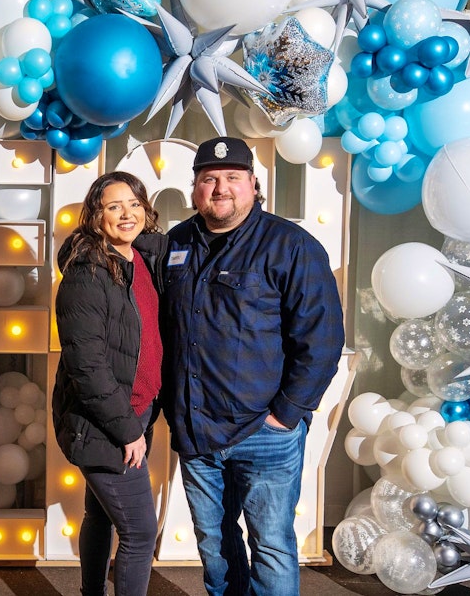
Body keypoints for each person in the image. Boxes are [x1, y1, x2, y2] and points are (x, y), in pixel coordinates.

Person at [161, 137, 345, 596]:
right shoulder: (176, 242)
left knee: (272, 547)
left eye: (232, 178)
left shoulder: (291, 246)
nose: (220, 188)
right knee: (216, 548)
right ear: (195, 189)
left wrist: (286, 414)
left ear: (253, 185)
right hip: (196, 431)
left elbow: (322, 339)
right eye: (209, 179)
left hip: (265, 433)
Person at [52, 171, 167, 596]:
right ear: (95, 216)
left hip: (136, 411)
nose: (126, 214)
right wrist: (126, 428)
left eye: (134, 204)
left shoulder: (138, 259)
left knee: (100, 515)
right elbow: (88, 365)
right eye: (113, 206)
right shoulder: (88, 273)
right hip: (106, 421)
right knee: (139, 532)